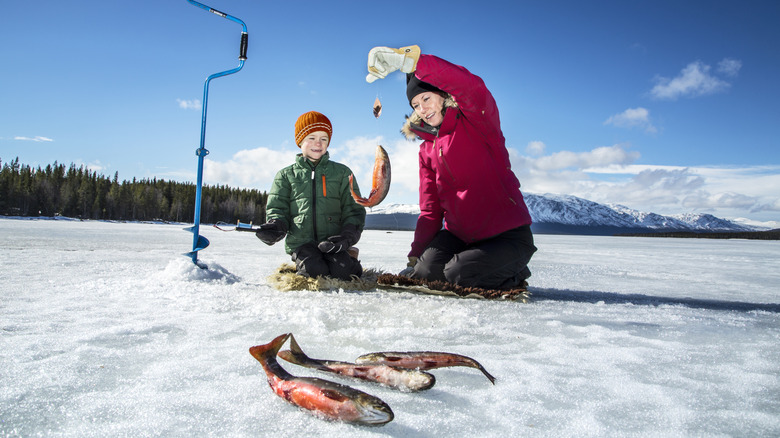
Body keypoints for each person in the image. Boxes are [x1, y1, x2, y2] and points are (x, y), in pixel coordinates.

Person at [366, 46, 537, 290]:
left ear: (443, 95)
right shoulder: (426, 150)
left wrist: (412, 62)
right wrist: (415, 256)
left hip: (506, 235)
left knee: (458, 274)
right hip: (460, 237)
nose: (422, 109)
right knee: (425, 272)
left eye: (426, 98)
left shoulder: (477, 121)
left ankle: (514, 270)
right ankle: (476, 264)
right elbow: (430, 210)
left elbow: (472, 87)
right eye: (415, 105)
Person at [255, 111, 366, 281]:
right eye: (311, 137)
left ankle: (350, 256)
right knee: (314, 272)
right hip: (302, 242)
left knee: (344, 274)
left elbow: (353, 209)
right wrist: (276, 226)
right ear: (300, 141)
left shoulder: (343, 173)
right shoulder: (285, 175)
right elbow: (277, 207)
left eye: (324, 139)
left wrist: (346, 237)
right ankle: (304, 261)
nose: (318, 143)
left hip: (333, 242)